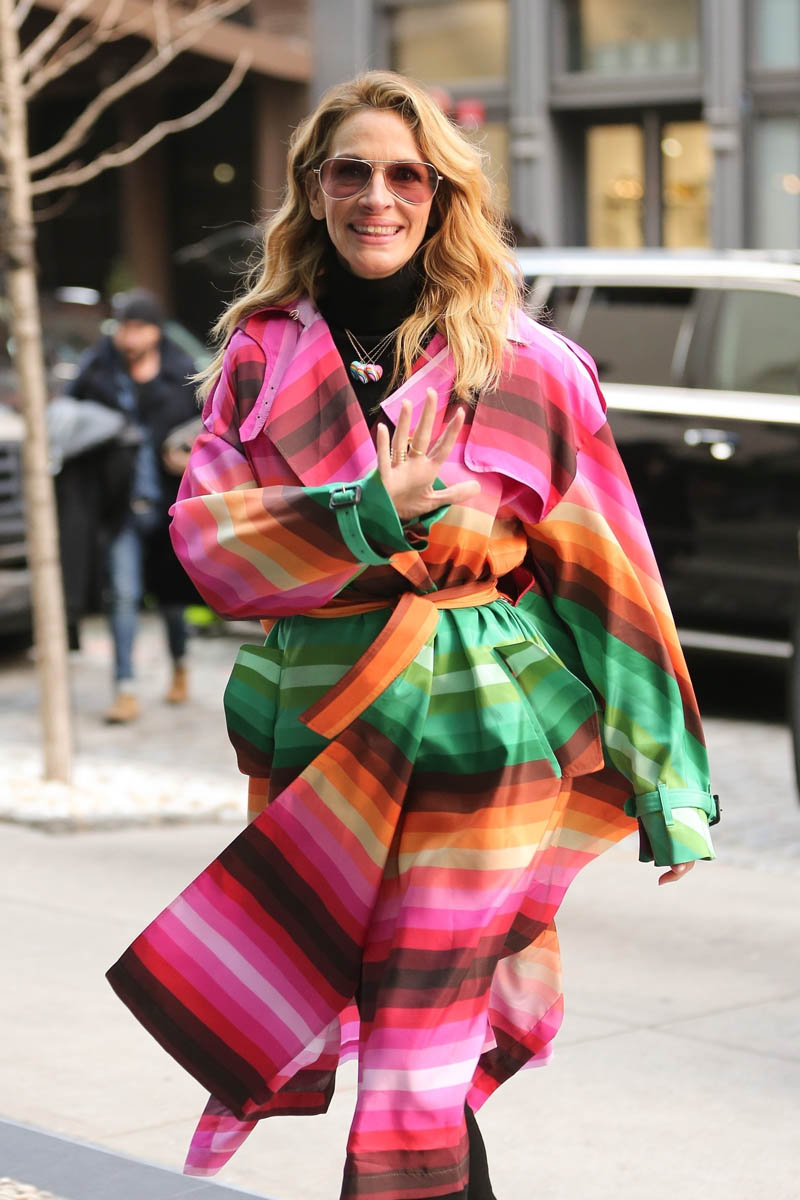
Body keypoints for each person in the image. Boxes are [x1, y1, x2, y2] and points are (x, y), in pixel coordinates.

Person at [107, 72, 718, 1200]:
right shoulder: (258, 356)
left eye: (406, 174)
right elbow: (207, 546)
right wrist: (361, 513)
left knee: (415, 1060)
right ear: (314, 188)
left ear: (442, 195)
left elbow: (612, 577)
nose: (376, 196)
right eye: (351, 171)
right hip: (320, 739)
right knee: (377, 1042)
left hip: (479, 742)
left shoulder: (529, 365)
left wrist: (669, 782)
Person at [70, 289, 199, 722]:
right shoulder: (98, 372)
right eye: (124, 328)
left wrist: (187, 453)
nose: (130, 337)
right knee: (122, 596)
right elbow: (70, 416)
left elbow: (212, 424)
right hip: (120, 505)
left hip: (170, 505)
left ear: (155, 331)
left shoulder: (182, 372)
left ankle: (180, 666)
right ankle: (124, 689)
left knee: (172, 600)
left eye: (139, 328)